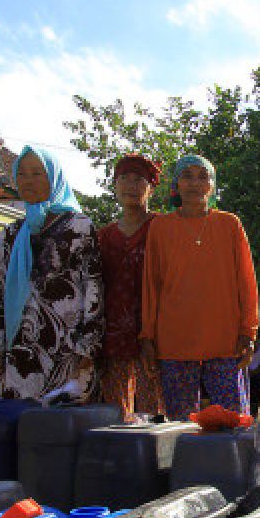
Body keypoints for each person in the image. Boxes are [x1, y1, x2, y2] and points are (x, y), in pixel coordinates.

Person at [141, 154, 259, 420]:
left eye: (202, 176)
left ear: (212, 185)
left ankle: (234, 464)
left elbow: (247, 282)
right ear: (176, 185)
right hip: (174, 342)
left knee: (233, 424)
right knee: (179, 427)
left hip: (226, 341)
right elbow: (151, 283)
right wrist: (147, 335)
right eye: (187, 176)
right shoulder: (160, 227)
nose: (195, 183)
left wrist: (249, 330)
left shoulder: (230, 224)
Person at [0, 146, 103, 403]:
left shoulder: (79, 226)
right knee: (20, 428)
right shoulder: (12, 233)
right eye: (22, 174)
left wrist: (88, 346)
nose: (28, 181)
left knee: (64, 429)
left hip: (66, 349)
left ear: (54, 177)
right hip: (20, 352)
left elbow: (93, 287)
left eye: (38, 173)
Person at [96, 154, 166, 422]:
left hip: (155, 332)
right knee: (116, 411)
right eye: (123, 179)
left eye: (139, 180)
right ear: (114, 185)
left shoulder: (163, 229)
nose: (130, 186)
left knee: (155, 411)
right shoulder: (103, 236)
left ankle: (157, 462)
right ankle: (120, 460)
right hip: (112, 333)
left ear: (151, 187)